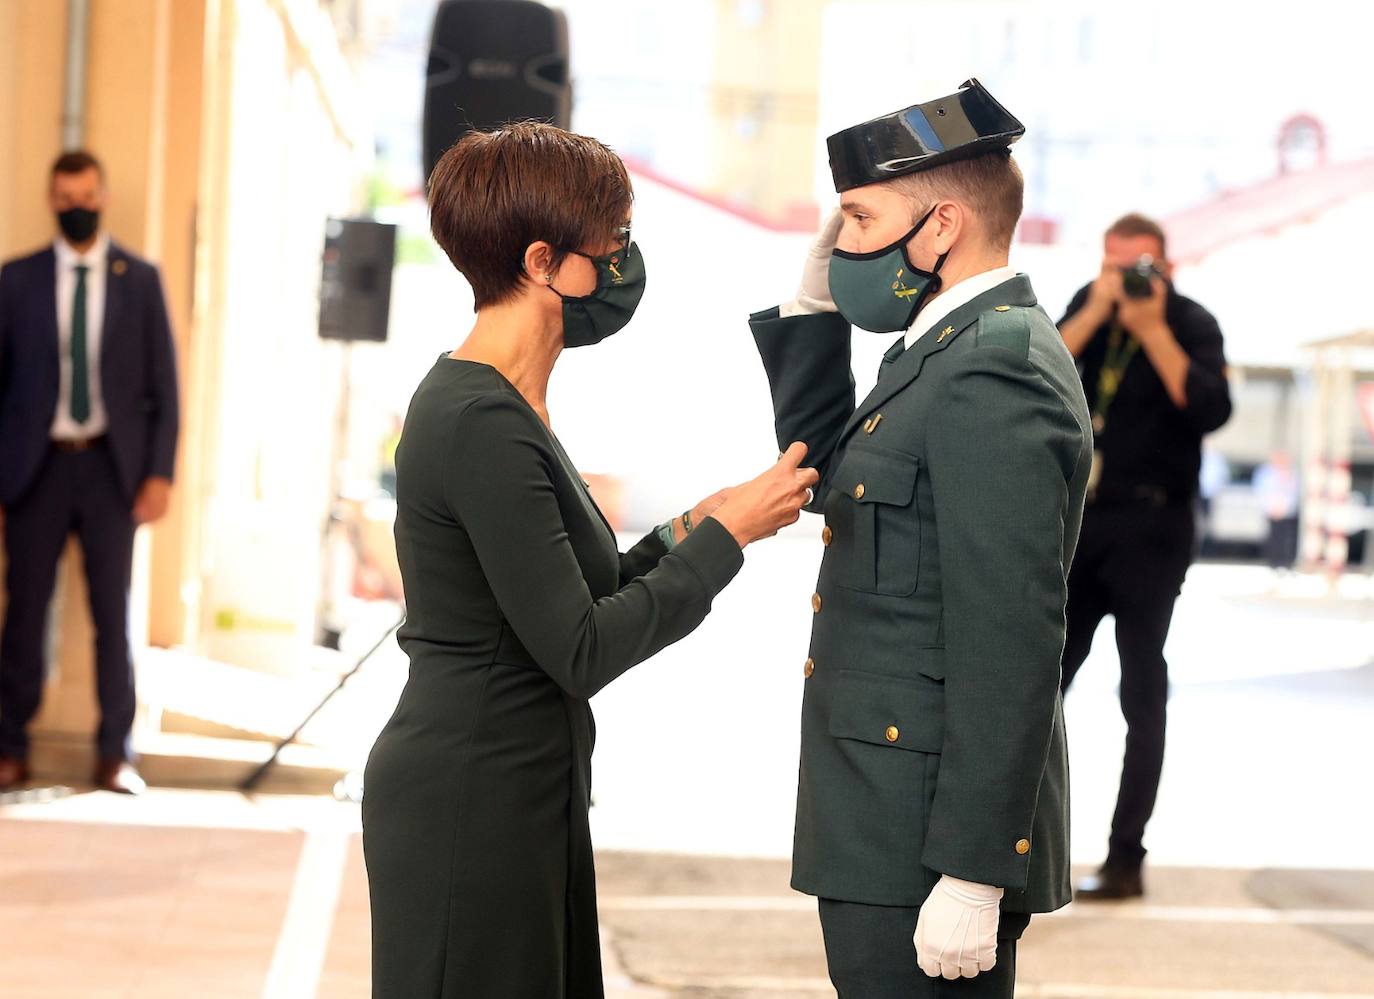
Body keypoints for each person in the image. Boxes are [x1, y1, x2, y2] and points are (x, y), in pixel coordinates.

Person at [360, 122, 818, 999]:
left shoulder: (503, 404)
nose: (623, 263)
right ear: (543, 261)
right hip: (473, 790)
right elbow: (580, 644)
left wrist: (697, 523)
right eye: (613, 243)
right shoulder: (480, 419)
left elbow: (582, 586)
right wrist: (728, 542)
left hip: (519, 782)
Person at [750, 80, 1090, 997]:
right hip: (882, 816)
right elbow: (833, 474)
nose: (845, 243)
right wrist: (816, 309)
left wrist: (977, 869)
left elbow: (1013, 637)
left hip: (926, 839)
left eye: (858, 221)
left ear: (939, 229)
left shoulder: (994, 370)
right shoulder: (941, 350)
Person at [1057, 213, 1232, 899]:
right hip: (1082, 520)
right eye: (1115, 264)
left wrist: (1153, 327)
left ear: (1166, 267)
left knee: (1141, 688)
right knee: (1040, 683)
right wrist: (1098, 307)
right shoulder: (1087, 309)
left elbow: (1211, 408)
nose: (1127, 278)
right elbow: (1031, 372)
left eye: (1140, 267)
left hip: (1155, 525)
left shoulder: (1189, 322)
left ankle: (1126, 856)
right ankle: (1011, 845)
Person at [0, 150, 179, 796]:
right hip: (34, 469)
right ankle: (9, 745)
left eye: (86, 195)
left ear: (102, 198)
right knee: (24, 610)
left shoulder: (140, 278)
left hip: (110, 470)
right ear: (52, 201)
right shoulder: (16, 280)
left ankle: (115, 752)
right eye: (64, 196)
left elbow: (165, 387)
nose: (76, 206)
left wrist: (159, 472)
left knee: (113, 611)